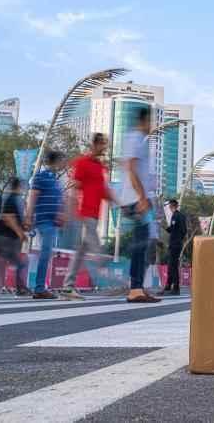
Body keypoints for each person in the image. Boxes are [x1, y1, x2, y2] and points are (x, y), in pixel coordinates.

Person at [61, 134, 113, 300]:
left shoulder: (100, 167)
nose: (105, 147)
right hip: (84, 212)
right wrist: (68, 211)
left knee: (80, 252)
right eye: (103, 144)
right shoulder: (82, 162)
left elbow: (103, 191)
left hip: (95, 214)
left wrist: (120, 203)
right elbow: (74, 186)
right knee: (97, 248)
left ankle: (67, 288)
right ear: (95, 144)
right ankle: (113, 282)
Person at [118, 107, 160, 304]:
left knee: (143, 242)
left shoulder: (139, 140)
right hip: (135, 199)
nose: (152, 125)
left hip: (137, 198)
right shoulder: (136, 139)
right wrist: (142, 197)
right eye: (150, 121)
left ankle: (137, 287)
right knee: (141, 243)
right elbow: (131, 169)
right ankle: (135, 289)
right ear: (144, 120)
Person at [26, 151, 66, 300]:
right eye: (62, 160)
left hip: (52, 222)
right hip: (44, 220)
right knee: (45, 253)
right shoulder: (40, 176)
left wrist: (60, 214)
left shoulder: (55, 179)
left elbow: (57, 200)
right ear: (55, 161)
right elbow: (32, 196)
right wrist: (28, 217)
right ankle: (39, 288)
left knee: (46, 253)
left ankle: (40, 287)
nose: (63, 164)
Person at [163, 199, 187, 295]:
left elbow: (172, 229)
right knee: (171, 264)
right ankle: (168, 286)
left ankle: (176, 288)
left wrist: (165, 228)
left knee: (173, 265)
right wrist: (180, 238)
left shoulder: (175, 216)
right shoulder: (182, 216)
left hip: (174, 243)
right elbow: (184, 231)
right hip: (179, 243)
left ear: (171, 206)